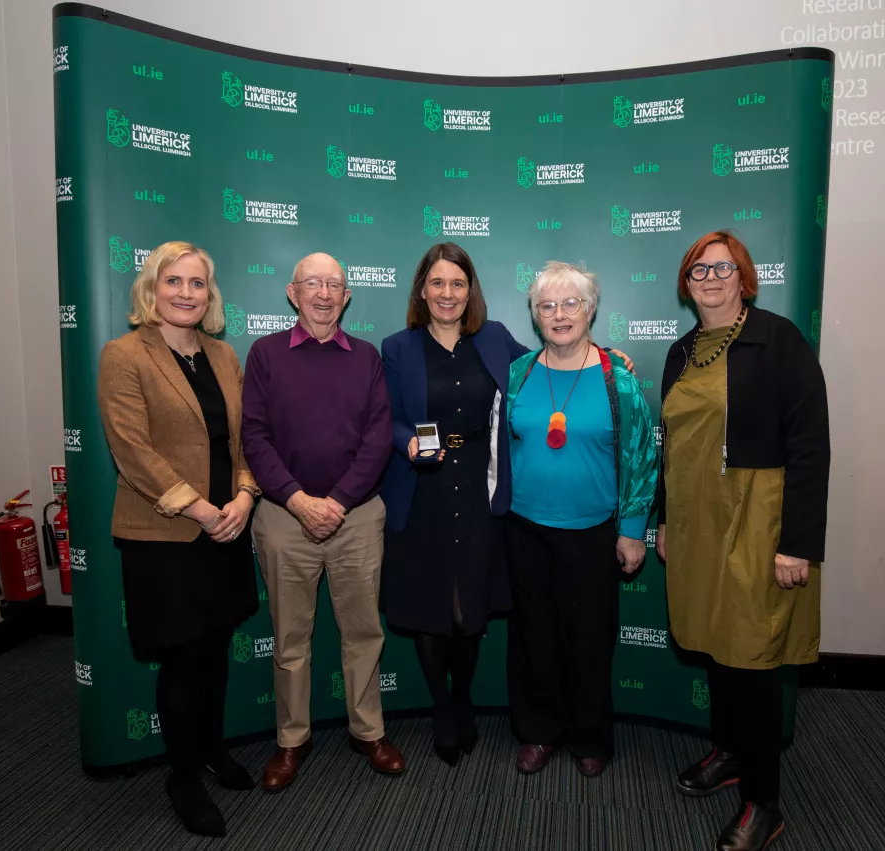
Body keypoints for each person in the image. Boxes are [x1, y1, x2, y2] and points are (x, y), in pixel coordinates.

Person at [657, 231, 829, 851]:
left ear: (744, 276)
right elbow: (669, 450)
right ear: (686, 281)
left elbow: (811, 446)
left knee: (751, 656)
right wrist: (665, 521)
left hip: (759, 522)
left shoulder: (778, 340)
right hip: (697, 520)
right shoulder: (681, 352)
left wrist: (798, 543)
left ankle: (765, 801)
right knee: (713, 643)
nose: (710, 278)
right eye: (698, 270)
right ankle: (729, 752)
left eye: (722, 268)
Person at [98, 241, 260, 837]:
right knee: (184, 655)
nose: (186, 293)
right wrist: (199, 510)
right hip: (167, 533)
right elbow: (131, 450)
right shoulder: (124, 354)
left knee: (215, 648)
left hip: (227, 524)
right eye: (174, 281)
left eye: (197, 284)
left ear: (209, 295)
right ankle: (183, 776)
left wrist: (243, 496)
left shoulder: (222, 354)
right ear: (152, 288)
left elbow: (246, 439)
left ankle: (212, 749)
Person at [241, 252, 403, 791]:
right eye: (313, 283)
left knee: (363, 631)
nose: (324, 293)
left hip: (356, 516)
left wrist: (336, 501)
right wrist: (298, 500)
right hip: (285, 517)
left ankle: (368, 730)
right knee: (290, 637)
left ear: (347, 296)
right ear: (293, 293)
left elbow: (379, 436)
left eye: (334, 284)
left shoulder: (366, 357)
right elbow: (255, 438)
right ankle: (292, 740)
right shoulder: (265, 354)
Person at [504, 261, 657, 778]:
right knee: (534, 638)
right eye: (547, 306)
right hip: (525, 528)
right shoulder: (520, 371)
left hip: (593, 533)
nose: (559, 314)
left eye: (571, 303)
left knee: (590, 639)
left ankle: (589, 736)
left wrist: (633, 532)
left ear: (591, 309)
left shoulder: (619, 379)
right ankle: (538, 732)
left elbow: (640, 456)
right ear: (535, 316)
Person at [379, 243, 526, 766]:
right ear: (422, 289)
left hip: (480, 484)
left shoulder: (495, 338)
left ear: (471, 291)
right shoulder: (397, 348)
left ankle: (461, 695)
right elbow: (388, 418)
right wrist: (406, 442)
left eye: (457, 284)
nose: (447, 294)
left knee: (470, 607)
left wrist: (601, 359)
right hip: (423, 487)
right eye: (437, 284)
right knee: (428, 605)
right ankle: (442, 706)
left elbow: (542, 372)